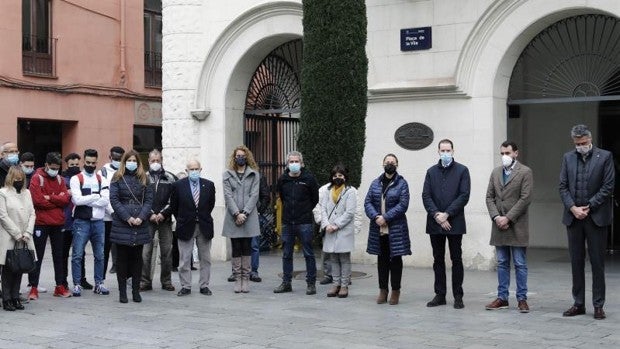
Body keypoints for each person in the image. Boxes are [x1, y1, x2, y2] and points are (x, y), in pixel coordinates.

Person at [559, 124, 614, 320]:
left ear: (590, 140)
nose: (581, 146)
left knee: (597, 263)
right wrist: (573, 208)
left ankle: (598, 305)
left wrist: (589, 206)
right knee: (576, 262)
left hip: (596, 217)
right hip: (573, 218)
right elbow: (563, 186)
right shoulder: (568, 157)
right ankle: (578, 303)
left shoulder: (605, 157)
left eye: (583, 143)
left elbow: (608, 186)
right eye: (577, 143)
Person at [485, 141, 533, 313]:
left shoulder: (525, 172)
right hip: (499, 225)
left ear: (516, 153)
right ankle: (502, 297)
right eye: (502, 153)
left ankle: (522, 299)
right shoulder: (496, 172)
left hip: (517, 225)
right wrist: (497, 217)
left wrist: (508, 218)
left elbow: (525, 198)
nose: (504, 156)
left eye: (507, 153)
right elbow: (489, 197)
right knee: (502, 262)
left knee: (520, 263)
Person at [422, 139, 471, 309]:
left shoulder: (462, 171)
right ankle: (440, 294)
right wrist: (437, 215)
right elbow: (426, 196)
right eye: (442, 150)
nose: (445, 153)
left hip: (454, 222)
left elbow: (464, 195)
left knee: (456, 259)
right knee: (438, 259)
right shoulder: (431, 172)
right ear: (438, 151)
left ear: (453, 151)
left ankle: (458, 295)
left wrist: (447, 214)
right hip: (435, 223)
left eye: (448, 150)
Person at [365, 153, 411, 305]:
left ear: (397, 165)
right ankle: (383, 290)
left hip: (395, 228)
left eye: (392, 162)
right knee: (382, 259)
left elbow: (403, 205)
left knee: (396, 260)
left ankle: (395, 291)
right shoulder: (375, 183)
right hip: (379, 228)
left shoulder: (402, 183)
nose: (389, 164)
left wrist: (386, 217)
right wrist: (377, 217)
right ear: (383, 164)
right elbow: (368, 202)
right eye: (387, 161)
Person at [109, 150, 154, 303]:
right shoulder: (117, 177)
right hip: (122, 224)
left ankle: (136, 290)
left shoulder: (144, 178)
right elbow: (114, 200)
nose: (132, 163)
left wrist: (141, 217)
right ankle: (122, 292)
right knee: (121, 260)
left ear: (139, 163)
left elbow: (149, 200)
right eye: (129, 160)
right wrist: (127, 217)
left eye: (135, 160)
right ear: (124, 161)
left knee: (137, 260)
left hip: (140, 224)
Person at [273, 151, 319, 295]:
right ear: (287, 164)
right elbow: (281, 196)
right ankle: (286, 283)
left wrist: (305, 211)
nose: (294, 164)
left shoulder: (309, 179)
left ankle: (311, 283)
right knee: (286, 254)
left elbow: (315, 198)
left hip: (304, 222)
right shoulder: (283, 179)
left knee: (308, 254)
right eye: (291, 162)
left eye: (296, 161)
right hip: (287, 222)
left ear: (301, 163)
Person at [27, 152, 72, 300]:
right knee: (37, 257)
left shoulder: (60, 179)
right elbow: (37, 201)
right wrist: (56, 200)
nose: (55, 171)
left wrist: (50, 197)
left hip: (57, 223)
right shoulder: (36, 178)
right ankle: (33, 288)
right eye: (52, 167)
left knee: (58, 256)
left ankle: (59, 286)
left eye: (57, 168)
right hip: (41, 223)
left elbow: (66, 199)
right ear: (46, 165)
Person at [170, 160, 216, 297]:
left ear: (201, 169)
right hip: (185, 225)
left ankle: (204, 285)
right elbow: (174, 206)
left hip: (204, 225)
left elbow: (210, 205)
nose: (194, 171)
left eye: (197, 169)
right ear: (187, 170)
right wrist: (182, 218)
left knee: (205, 258)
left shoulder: (209, 185)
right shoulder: (178, 186)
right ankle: (185, 286)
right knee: (184, 259)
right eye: (192, 169)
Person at [69, 149, 110, 297]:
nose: (91, 165)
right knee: (77, 254)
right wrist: (95, 195)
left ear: (97, 162)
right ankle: (77, 284)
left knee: (100, 255)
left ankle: (99, 283)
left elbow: (105, 200)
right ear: (83, 162)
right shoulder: (76, 179)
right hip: (82, 222)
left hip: (98, 222)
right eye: (88, 162)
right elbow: (77, 200)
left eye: (93, 163)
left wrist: (88, 199)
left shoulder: (102, 179)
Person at [222, 146, 260, 293]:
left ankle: (246, 278)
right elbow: (228, 196)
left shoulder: (254, 174)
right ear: (234, 157)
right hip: (233, 217)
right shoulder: (227, 175)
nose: (240, 158)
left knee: (247, 247)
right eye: (238, 155)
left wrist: (245, 213)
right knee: (236, 248)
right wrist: (237, 213)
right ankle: (237, 278)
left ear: (247, 157)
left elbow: (254, 195)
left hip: (248, 217)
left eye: (243, 155)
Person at [140, 149, 177, 292]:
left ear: (162, 160)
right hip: (147, 220)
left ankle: (166, 281)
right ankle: (145, 281)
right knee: (146, 252)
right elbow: (141, 198)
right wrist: (149, 213)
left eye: (158, 160)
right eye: (153, 160)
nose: (155, 163)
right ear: (148, 161)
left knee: (167, 251)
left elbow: (174, 199)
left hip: (165, 220)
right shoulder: (143, 177)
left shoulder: (170, 178)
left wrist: (163, 213)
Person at [0, 166, 36, 311]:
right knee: (8, 269)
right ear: (10, 178)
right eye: (16, 179)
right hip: (9, 236)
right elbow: (3, 216)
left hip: (25, 236)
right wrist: (16, 233)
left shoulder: (27, 193)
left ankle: (15, 297)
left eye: (21, 179)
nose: (19, 181)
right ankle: (7, 298)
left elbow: (33, 213)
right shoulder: (3, 193)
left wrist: (27, 232)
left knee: (20, 267)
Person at [319, 164, 357, 298]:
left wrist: (336, 225)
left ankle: (344, 285)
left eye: (340, 176)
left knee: (344, 259)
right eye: (335, 176)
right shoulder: (327, 190)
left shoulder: (350, 191)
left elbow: (350, 212)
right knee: (333, 258)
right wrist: (326, 224)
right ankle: (335, 284)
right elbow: (322, 208)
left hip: (343, 230)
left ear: (345, 177)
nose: (337, 178)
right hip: (329, 230)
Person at [227, 170, 269, 283]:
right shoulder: (232, 175)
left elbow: (265, 195)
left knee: (254, 245)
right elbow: (228, 195)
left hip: (253, 215)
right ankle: (236, 272)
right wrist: (234, 212)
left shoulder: (258, 176)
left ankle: (253, 271)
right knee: (236, 244)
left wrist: (259, 211)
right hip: (235, 215)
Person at [61, 153, 93, 291]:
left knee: (80, 253)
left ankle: (81, 279)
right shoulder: (61, 180)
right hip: (65, 222)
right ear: (66, 165)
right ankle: (63, 281)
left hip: (80, 220)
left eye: (76, 164)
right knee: (63, 253)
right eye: (71, 165)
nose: (74, 167)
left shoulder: (82, 178)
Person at [98, 146, 125, 276]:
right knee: (104, 249)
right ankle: (100, 279)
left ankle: (124, 275)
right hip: (107, 218)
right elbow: (104, 194)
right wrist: (113, 212)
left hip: (123, 216)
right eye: (115, 158)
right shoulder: (102, 172)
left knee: (123, 248)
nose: (117, 161)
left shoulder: (126, 171)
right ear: (110, 158)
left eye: (120, 159)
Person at [313, 182, 333, 285]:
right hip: (327, 225)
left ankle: (344, 276)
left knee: (343, 253)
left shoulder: (349, 190)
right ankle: (328, 275)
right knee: (326, 251)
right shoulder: (324, 189)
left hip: (342, 225)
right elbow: (317, 206)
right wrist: (321, 221)